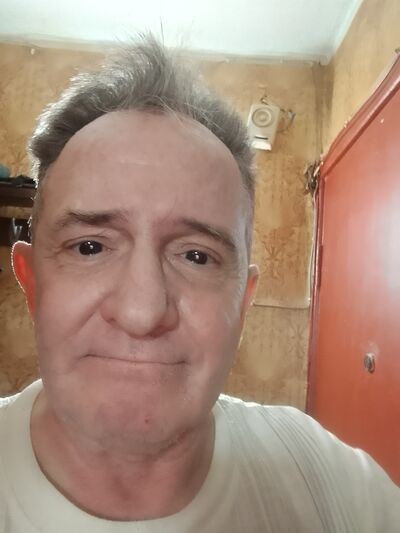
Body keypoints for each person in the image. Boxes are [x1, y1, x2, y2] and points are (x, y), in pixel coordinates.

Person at [0, 35, 399, 533]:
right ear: (33, 283)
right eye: (90, 247)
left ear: (242, 304)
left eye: (196, 256)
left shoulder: (329, 482)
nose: (142, 312)